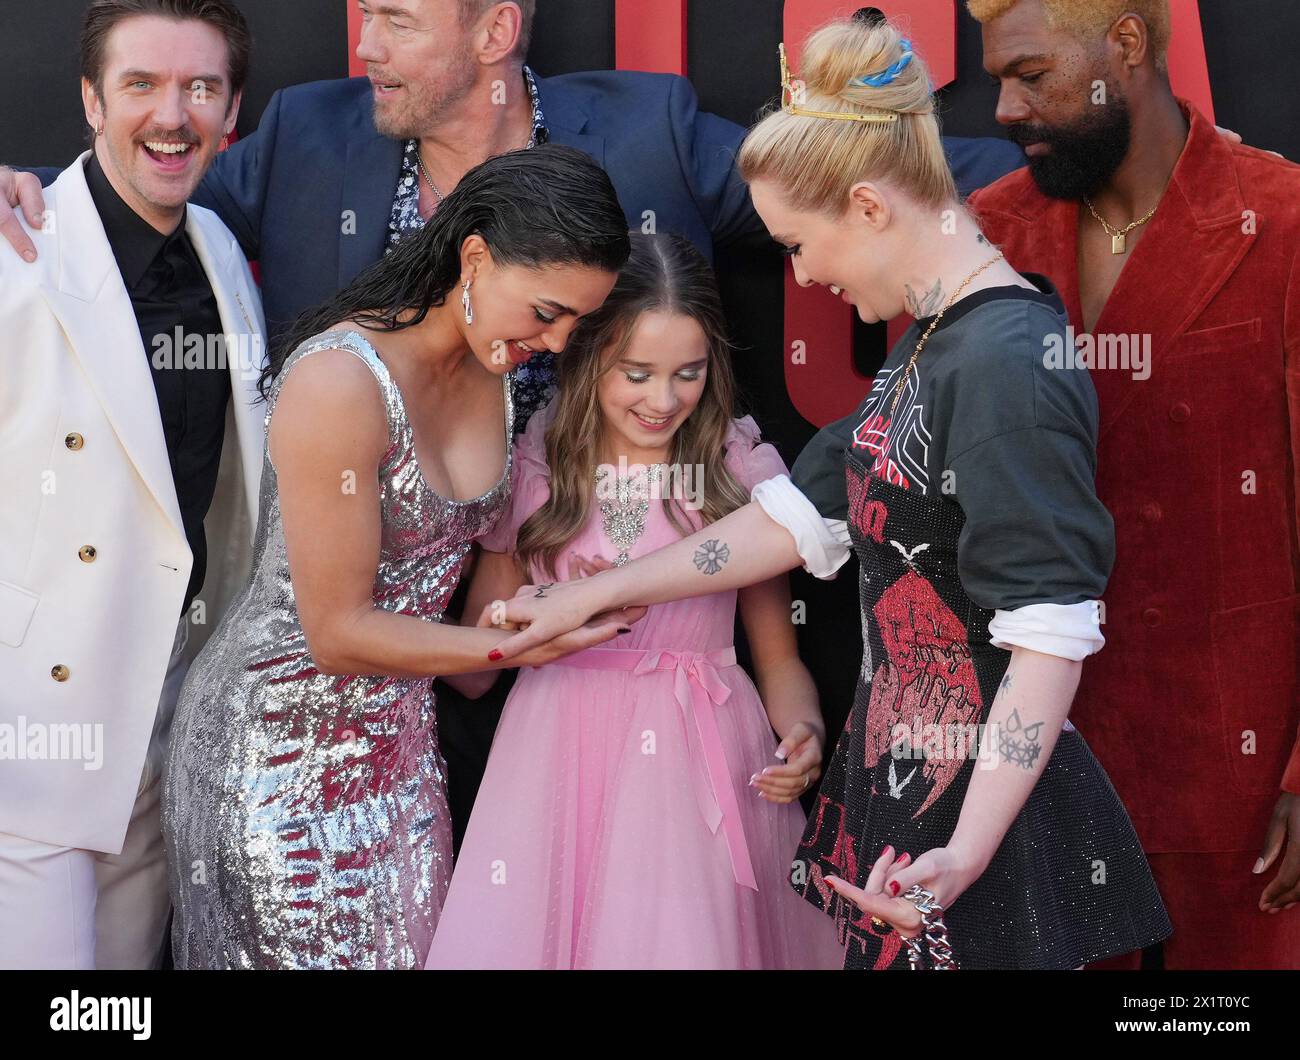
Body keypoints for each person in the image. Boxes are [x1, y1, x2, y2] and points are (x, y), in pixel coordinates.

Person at [480, 12, 1172, 971]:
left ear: (870, 208)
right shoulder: (934, 341)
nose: (803, 275)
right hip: (905, 814)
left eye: (800, 245)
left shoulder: (1009, 359)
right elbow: (787, 522)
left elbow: (1048, 642)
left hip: (975, 833)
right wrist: (592, 590)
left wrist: (962, 855)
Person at [162, 144, 635, 969]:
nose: (559, 343)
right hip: (274, 762)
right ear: (476, 260)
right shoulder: (343, 381)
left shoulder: (496, 373)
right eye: (547, 311)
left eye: (577, 324)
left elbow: (474, 660)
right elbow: (339, 633)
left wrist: (554, 591)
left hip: (404, 764)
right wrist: (521, 641)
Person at [965, 0, 1300, 968]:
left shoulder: (1280, 223)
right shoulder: (989, 234)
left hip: (1239, 765)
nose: (1003, 108)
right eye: (999, 77)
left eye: (1032, 75)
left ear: (1124, 47)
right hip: (1044, 759)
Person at [425, 232, 844, 969]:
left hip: (701, 759)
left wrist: (804, 729)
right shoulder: (540, 460)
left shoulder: (734, 466)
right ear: (587, 358)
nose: (663, 399)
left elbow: (778, 658)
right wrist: (520, 609)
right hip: (553, 758)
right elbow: (472, 668)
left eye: (687, 373)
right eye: (637, 373)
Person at [0, 0, 264, 970]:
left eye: (200, 87)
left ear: (231, 110)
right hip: (29, 727)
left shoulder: (223, 257)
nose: (172, 114)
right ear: (89, 101)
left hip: (163, 723)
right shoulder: (13, 250)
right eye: (142, 84)